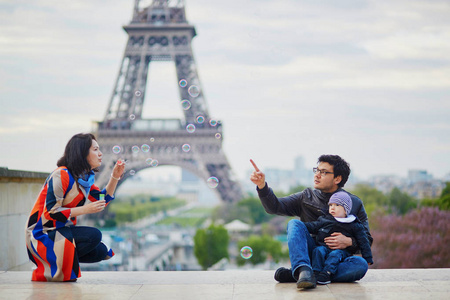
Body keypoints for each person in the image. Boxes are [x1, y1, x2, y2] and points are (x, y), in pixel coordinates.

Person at [249, 154, 373, 289]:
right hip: (312, 253)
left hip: (337, 259)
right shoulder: (306, 197)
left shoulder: (354, 203)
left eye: (324, 172)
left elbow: (367, 239)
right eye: (317, 170)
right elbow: (275, 207)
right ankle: (304, 270)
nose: (317, 175)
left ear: (337, 178)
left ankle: (304, 274)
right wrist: (262, 187)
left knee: (360, 265)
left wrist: (349, 242)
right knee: (294, 224)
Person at [25, 133, 125, 282]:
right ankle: (54, 265)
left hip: (61, 230)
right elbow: (52, 212)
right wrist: (86, 209)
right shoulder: (61, 175)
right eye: (95, 149)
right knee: (94, 236)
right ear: (82, 152)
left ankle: (60, 265)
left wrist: (114, 177)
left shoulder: (83, 179)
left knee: (101, 251)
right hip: (43, 232)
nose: (100, 153)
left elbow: (102, 199)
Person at [305, 191, 373, 285]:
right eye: (330, 205)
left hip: (342, 252)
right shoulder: (325, 220)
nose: (332, 207)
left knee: (335, 254)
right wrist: (301, 226)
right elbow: (313, 226)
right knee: (318, 250)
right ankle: (316, 273)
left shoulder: (354, 224)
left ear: (345, 210)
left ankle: (327, 273)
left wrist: (368, 257)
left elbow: (363, 241)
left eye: (337, 205)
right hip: (324, 248)